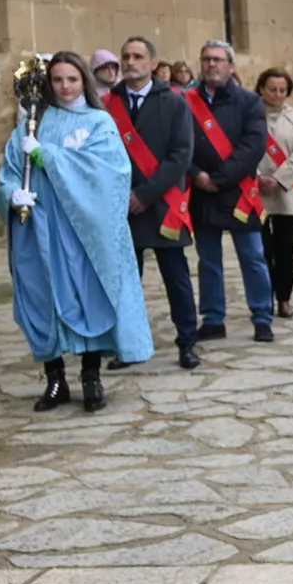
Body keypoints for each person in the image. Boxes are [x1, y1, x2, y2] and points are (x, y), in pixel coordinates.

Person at [2, 51, 153, 410]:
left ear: (83, 80)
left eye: (72, 79)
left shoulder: (99, 123)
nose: (65, 86)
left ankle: (91, 377)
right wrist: (11, 193)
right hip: (39, 230)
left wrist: (48, 156)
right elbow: (8, 173)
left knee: (89, 297)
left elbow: (111, 175)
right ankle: (55, 380)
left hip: (81, 233)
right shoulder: (31, 125)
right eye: (57, 80)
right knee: (43, 297)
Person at [109, 35, 200, 371]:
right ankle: (127, 346)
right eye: (125, 56)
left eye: (137, 56)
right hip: (121, 206)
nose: (130, 62)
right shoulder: (108, 103)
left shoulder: (174, 102)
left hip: (162, 205)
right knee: (126, 282)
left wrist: (144, 195)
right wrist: (124, 195)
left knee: (176, 277)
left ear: (151, 62)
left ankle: (187, 342)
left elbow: (180, 156)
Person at [186, 40, 274, 344]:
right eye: (207, 59)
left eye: (218, 60)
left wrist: (219, 179)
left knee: (252, 257)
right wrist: (197, 175)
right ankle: (213, 319)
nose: (212, 65)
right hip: (202, 193)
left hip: (237, 193)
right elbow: (180, 145)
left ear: (231, 65)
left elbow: (253, 146)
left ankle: (262, 317)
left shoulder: (249, 102)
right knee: (208, 260)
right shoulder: (186, 102)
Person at [254, 67, 293, 319]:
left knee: (284, 250)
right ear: (261, 89)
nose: (277, 94)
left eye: (282, 90)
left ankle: (284, 298)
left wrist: (277, 179)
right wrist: (258, 178)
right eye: (272, 89)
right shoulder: (250, 116)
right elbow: (243, 148)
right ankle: (263, 298)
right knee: (261, 251)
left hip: (287, 193)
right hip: (256, 193)